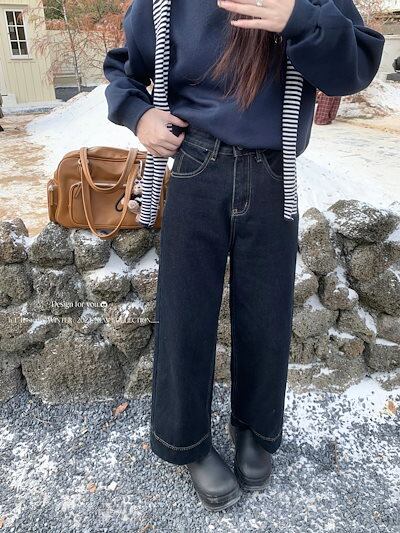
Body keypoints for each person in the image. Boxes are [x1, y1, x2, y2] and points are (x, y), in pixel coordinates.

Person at [103, 0, 384, 511]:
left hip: (275, 173)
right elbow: (123, 67)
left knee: (266, 313)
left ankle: (255, 427)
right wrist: (138, 115)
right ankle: (185, 441)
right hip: (196, 165)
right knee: (185, 313)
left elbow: (354, 70)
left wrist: (301, 20)